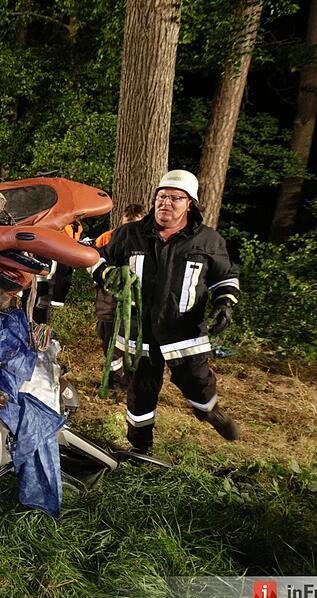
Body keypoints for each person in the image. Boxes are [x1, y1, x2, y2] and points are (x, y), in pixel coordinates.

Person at [90, 170, 241, 453]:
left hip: (184, 331)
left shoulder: (208, 241)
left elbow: (226, 277)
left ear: (190, 204)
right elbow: (96, 261)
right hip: (138, 332)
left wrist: (225, 303)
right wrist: (107, 275)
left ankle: (210, 411)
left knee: (197, 382)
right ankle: (140, 448)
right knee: (140, 392)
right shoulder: (129, 234)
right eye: (161, 197)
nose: (166, 203)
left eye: (175, 198)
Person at [94, 203, 146, 387]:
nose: (129, 229)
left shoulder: (148, 240)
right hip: (109, 298)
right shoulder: (107, 238)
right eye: (127, 224)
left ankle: (131, 376)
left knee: (131, 339)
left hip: (135, 303)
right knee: (107, 335)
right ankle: (114, 373)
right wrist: (107, 276)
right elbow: (94, 261)